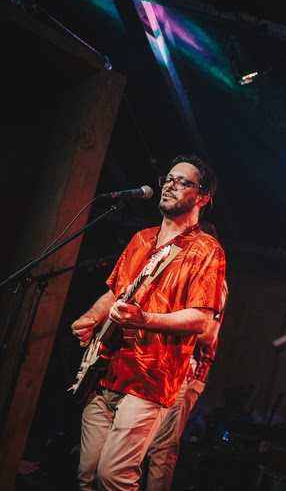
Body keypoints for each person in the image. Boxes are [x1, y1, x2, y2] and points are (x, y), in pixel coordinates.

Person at [70, 154, 227, 490]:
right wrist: (91, 317)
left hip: (149, 379)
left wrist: (144, 318)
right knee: (86, 474)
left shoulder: (206, 249)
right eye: (168, 179)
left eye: (182, 182)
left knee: (113, 477)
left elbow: (201, 321)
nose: (170, 185)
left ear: (202, 198)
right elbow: (114, 292)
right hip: (104, 368)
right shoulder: (141, 238)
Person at [141, 221, 229, 491]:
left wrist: (163, 320)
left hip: (188, 372)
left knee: (162, 447)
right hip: (166, 366)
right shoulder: (184, 275)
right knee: (140, 441)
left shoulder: (215, 281)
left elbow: (208, 335)